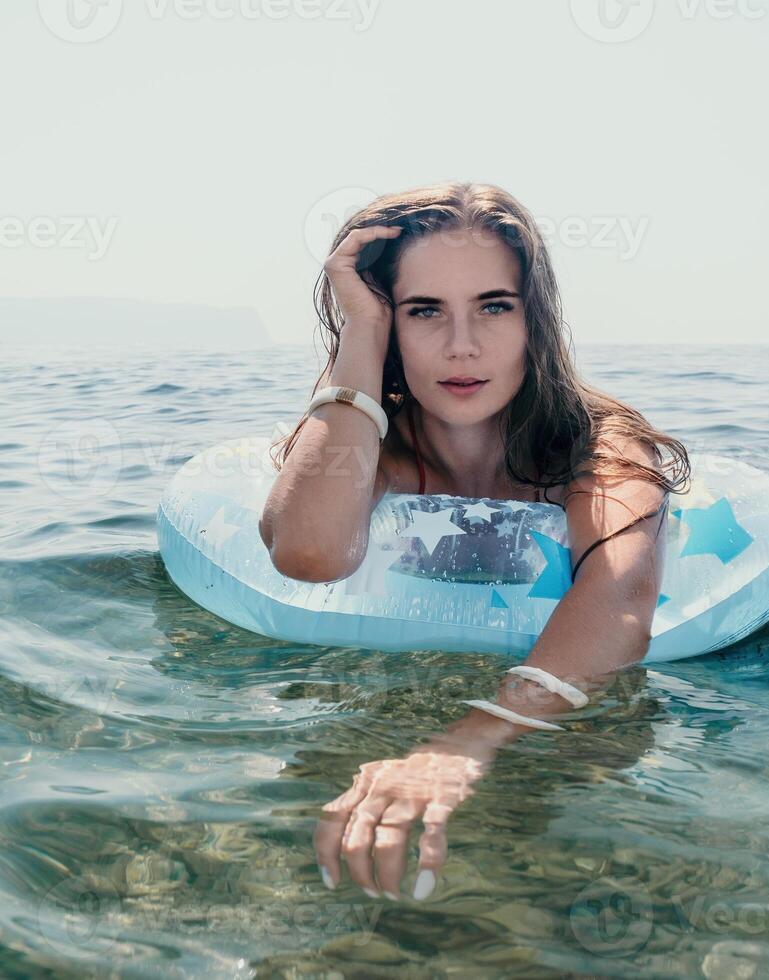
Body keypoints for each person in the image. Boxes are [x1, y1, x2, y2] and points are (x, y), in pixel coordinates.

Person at [258, 181, 690, 904]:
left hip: (566, 735)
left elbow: (619, 601)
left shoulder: (597, 444)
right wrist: (359, 336)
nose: (462, 346)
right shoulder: (378, 449)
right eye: (423, 312)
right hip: (380, 712)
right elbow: (311, 556)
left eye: (495, 306)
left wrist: (462, 744)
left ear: (535, 321)